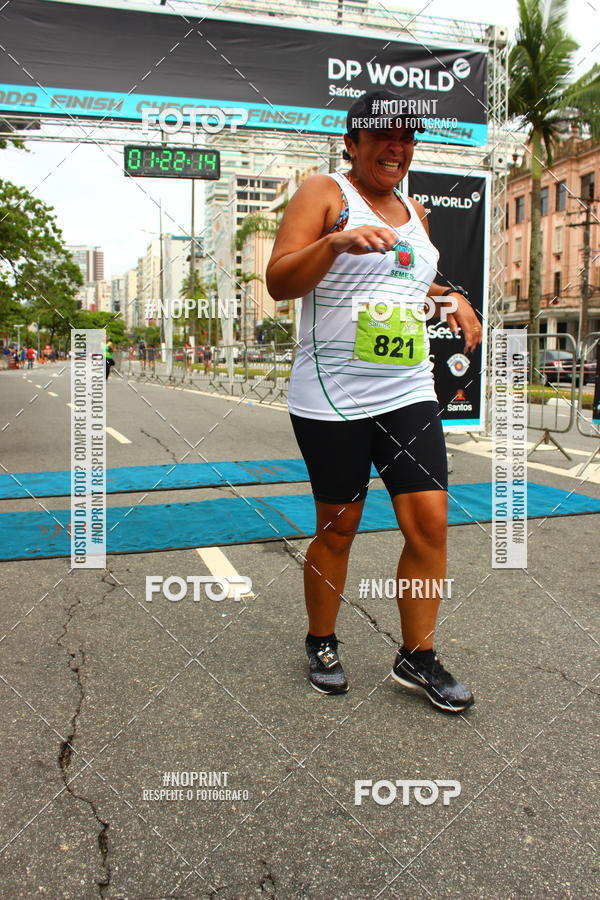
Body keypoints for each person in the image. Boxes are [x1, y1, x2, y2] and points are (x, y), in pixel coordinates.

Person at [266, 90, 482, 713]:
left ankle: (417, 656)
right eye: (382, 136)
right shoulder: (325, 193)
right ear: (352, 144)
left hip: (406, 389)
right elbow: (280, 280)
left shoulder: (417, 211)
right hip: (332, 394)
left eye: (407, 136)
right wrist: (333, 243)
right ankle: (322, 640)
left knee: (430, 523)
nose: (397, 146)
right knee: (340, 527)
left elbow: (406, 277)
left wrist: (450, 297)